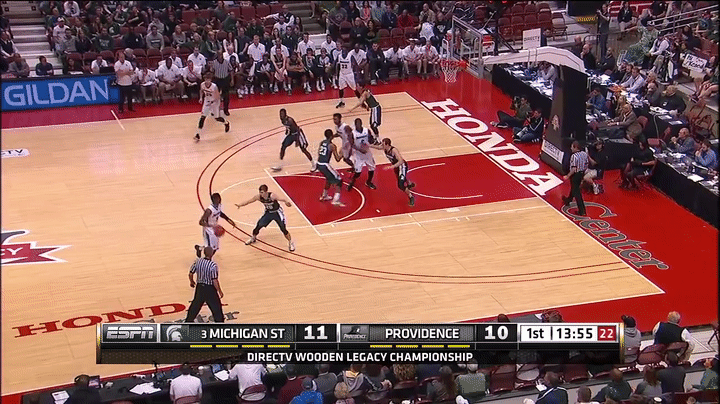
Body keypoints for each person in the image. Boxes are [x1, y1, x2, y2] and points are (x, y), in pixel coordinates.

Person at [236, 184, 295, 252]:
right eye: (260, 192)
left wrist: (287, 202)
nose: (260, 194)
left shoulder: (272, 196)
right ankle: (253, 238)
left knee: (283, 229)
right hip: (268, 213)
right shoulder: (259, 197)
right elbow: (249, 201)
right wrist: (240, 205)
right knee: (259, 225)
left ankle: (290, 242)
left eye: (262, 192)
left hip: (277, 213)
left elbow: (282, 199)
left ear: (266, 192)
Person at [371, 138, 416, 206]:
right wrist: (369, 145)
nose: (382, 146)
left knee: (400, 185)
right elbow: (378, 147)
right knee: (400, 178)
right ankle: (409, 184)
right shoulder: (385, 148)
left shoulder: (394, 150)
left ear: (387, 144)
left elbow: (401, 161)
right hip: (396, 167)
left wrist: (391, 167)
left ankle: (411, 197)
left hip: (401, 166)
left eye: (383, 144)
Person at [185, 246, 224, 323]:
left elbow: (190, 273)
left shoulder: (198, 261)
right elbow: (214, 280)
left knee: (195, 306)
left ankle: (188, 322)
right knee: (216, 309)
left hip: (199, 287)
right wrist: (219, 291)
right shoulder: (213, 265)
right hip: (210, 289)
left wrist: (192, 282)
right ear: (212, 254)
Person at [193, 73, 230, 141]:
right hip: (207, 101)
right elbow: (201, 91)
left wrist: (217, 106)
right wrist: (201, 98)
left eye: (208, 80)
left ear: (210, 80)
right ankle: (198, 134)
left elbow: (218, 96)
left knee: (216, 118)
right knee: (203, 117)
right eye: (206, 80)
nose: (207, 81)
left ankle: (226, 123)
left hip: (214, 102)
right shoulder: (202, 84)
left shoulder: (214, 86)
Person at [317, 129, 346, 207]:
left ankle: (324, 195)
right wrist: (341, 153)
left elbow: (319, 153)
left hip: (319, 163)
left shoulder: (322, 142)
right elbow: (337, 159)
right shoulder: (332, 146)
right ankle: (335, 200)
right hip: (325, 165)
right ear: (331, 136)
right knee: (339, 180)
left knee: (329, 179)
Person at [562, 141, 588, 216]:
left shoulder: (574, 156)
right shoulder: (584, 153)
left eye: (572, 147)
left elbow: (573, 169)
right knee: (574, 188)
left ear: (575, 147)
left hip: (575, 175)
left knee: (577, 192)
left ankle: (582, 211)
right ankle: (568, 200)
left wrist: (567, 176)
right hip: (581, 173)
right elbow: (586, 164)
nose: (571, 148)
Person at [209, 52, 232, 116]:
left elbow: (231, 70)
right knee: (215, 96)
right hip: (217, 80)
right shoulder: (214, 62)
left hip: (225, 79)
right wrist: (211, 81)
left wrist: (232, 80)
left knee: (226, 96)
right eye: (219, 55)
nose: (220, 56)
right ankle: (214, 110)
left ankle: (226, 110)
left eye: (221, 55)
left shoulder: (227, 62)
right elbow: (211, 71)